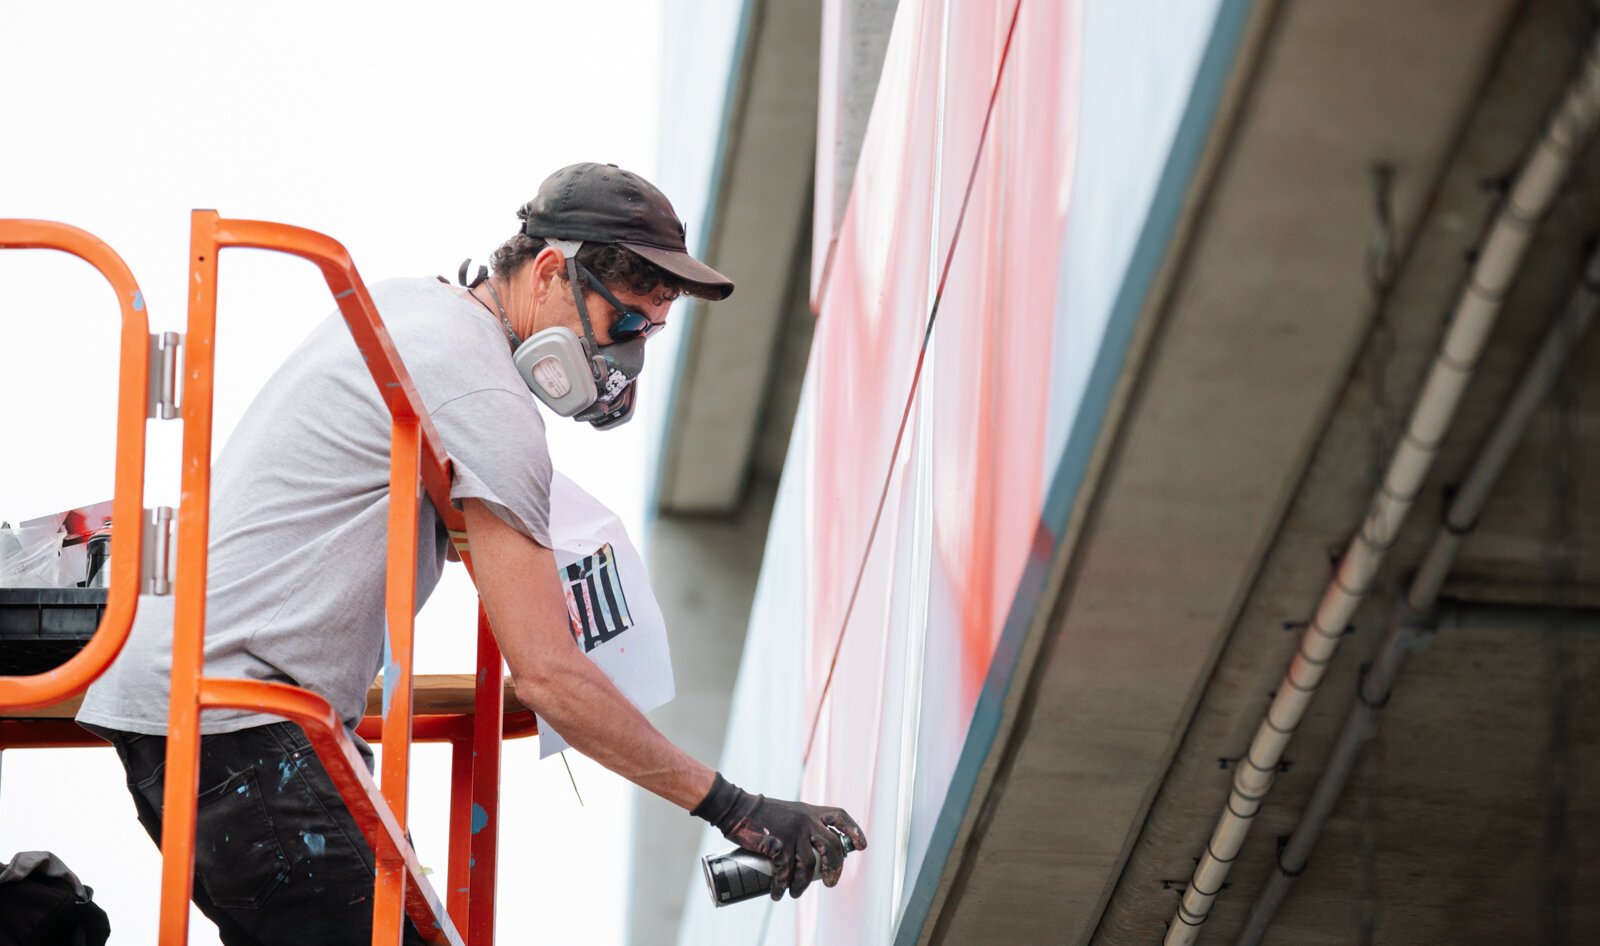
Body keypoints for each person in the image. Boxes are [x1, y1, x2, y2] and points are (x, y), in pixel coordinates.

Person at [76, 163, 866, 945]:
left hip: (198, 705)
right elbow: (550, 675)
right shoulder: (487, 396)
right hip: (245, 720)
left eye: (650, 334)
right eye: (626, 324)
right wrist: (739, 809)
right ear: (552, 272)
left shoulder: (414, 309)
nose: (629, 361)